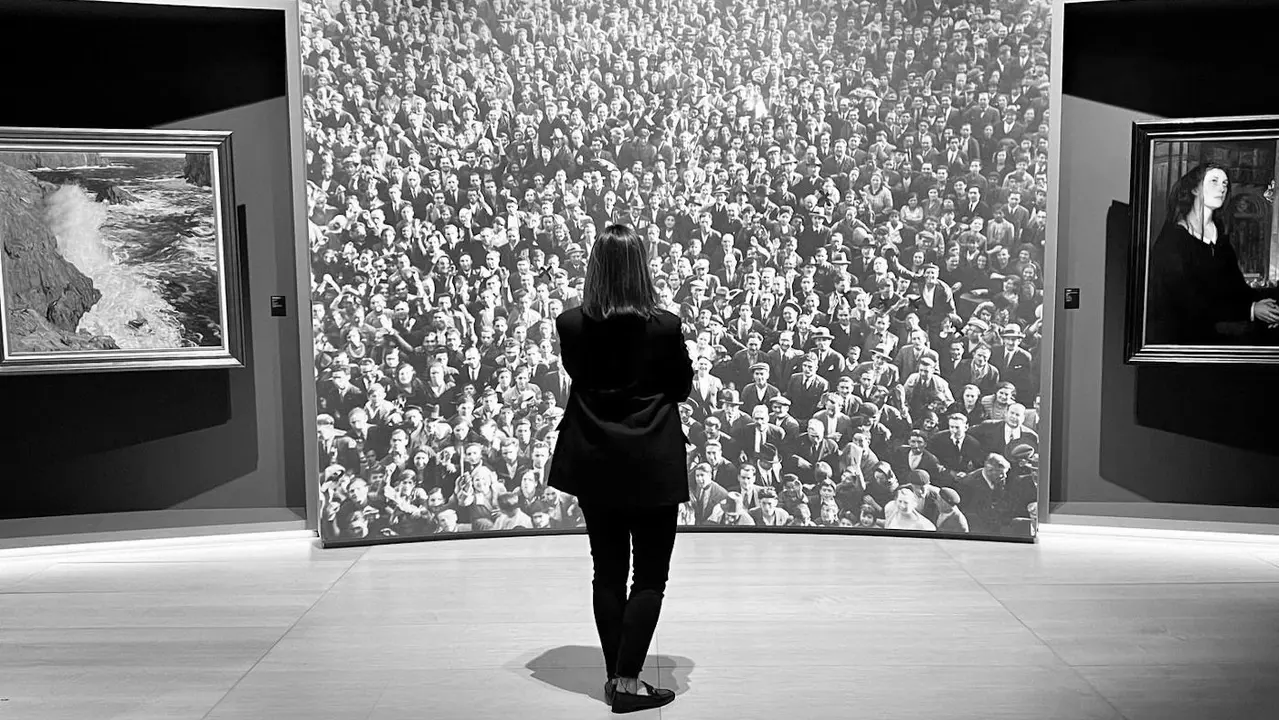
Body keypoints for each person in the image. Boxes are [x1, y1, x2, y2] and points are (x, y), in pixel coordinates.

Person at [546, 224, 686, 713]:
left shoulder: (570, 324)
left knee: (607, 572)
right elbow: (681, 387)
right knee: (648, 577)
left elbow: (580, 377)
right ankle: (626, 681)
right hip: (653, 461)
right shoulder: (665, 326)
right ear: (641, 268)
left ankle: (616, 677)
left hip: (595, 458)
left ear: (595, 268)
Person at [1146, 163, 1279, 344]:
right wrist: (1251, 310)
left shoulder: (1220, 237)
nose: (1222, 188)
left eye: (1225, 184)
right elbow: (1188, 302)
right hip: (1188, 339)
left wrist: (1270, 311)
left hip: (1225, 332)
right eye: (1214, 181)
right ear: (1194, 189)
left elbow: (1237, 287)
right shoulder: (1174, 240)